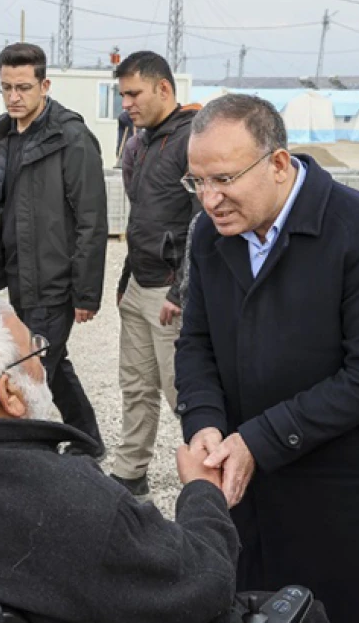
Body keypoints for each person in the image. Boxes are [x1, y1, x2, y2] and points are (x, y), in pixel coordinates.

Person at [176, 93, 359, 622]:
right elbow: (196, 341)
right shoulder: (208, 235)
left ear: (279, 164)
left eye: (224, 179)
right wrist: (203, 423)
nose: (209, 200)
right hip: (248, 485)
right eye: (197, 183)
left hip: (344, 492)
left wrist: (258, 440)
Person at [0, 295, 241, 623]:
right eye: (34, 351)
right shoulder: (76, 502)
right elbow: (204, 583)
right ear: (10, 393)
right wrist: (203, 492)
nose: (42, 365)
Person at [0, 43, 108, 457]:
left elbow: (91, 221)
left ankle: (33, 458)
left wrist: (85, 292)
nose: (14, 97)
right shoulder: (8, 136)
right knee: (52, 362)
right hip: (19, 278)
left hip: (55, 282)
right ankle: (89, 440)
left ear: (45, 85)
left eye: (24, 87)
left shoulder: (72, 139)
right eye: (7, 87)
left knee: (33, 370)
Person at [111, 51, 203, 498]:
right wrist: (125, 278)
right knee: (136, 385)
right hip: (139, 283)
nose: (125, 103)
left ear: (163, 89)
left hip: (170, 292)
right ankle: (130, 472)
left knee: (181, 392)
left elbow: (201, 222)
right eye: (121, 94)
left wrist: (181, 292)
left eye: (133, 93)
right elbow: (143, 216)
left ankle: (210, 475)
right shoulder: (141, 141)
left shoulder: (192, 140)